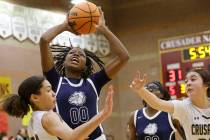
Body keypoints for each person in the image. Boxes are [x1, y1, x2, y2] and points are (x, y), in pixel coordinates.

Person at [39, 8, 129, 140]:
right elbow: (44, 40)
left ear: (86, 65)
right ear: (63, 62)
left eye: (81, 54)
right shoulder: (55, 80)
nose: (76, 54)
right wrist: (64, 26)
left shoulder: (94, 82)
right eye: (72, 53)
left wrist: (104, 29)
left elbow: (124, 57)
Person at [0, 76, 114, 140]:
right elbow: (73, 137)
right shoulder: (48, 117)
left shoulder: (32, 120)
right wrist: (104, 113)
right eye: (49, 90)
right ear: (35, 98)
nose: (54, 94)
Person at [130, 68, 210, 140]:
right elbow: (157, 103)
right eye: (186, 81)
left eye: (193, 79)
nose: (188, 83)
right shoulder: (183, 107)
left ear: (206, 85)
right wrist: (140, 90)